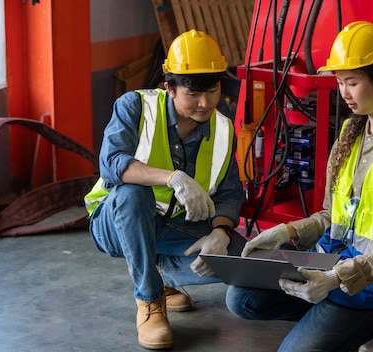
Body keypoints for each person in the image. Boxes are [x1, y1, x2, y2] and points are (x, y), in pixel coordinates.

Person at [225, 21, 373, 352]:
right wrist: (287, 233)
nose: (344, 93)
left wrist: (334, 280)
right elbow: (329, 215)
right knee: (242, 298)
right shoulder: (352, 133)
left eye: (352, 82)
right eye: (339, 82)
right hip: (330, 267)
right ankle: (328, 314)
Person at [84, 29, 245, 350]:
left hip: (174, 227)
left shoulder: (223, 127)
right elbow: (112, 163)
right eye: (193, 94)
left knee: (243, 260)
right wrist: (172, 177)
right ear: (169, 87)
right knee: (133, 193)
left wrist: (221, 232)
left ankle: (162, 275)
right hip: (116, 222)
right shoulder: (135, 107)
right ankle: (150, 299)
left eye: (211, 91)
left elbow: (230, 192)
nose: (204, 103)